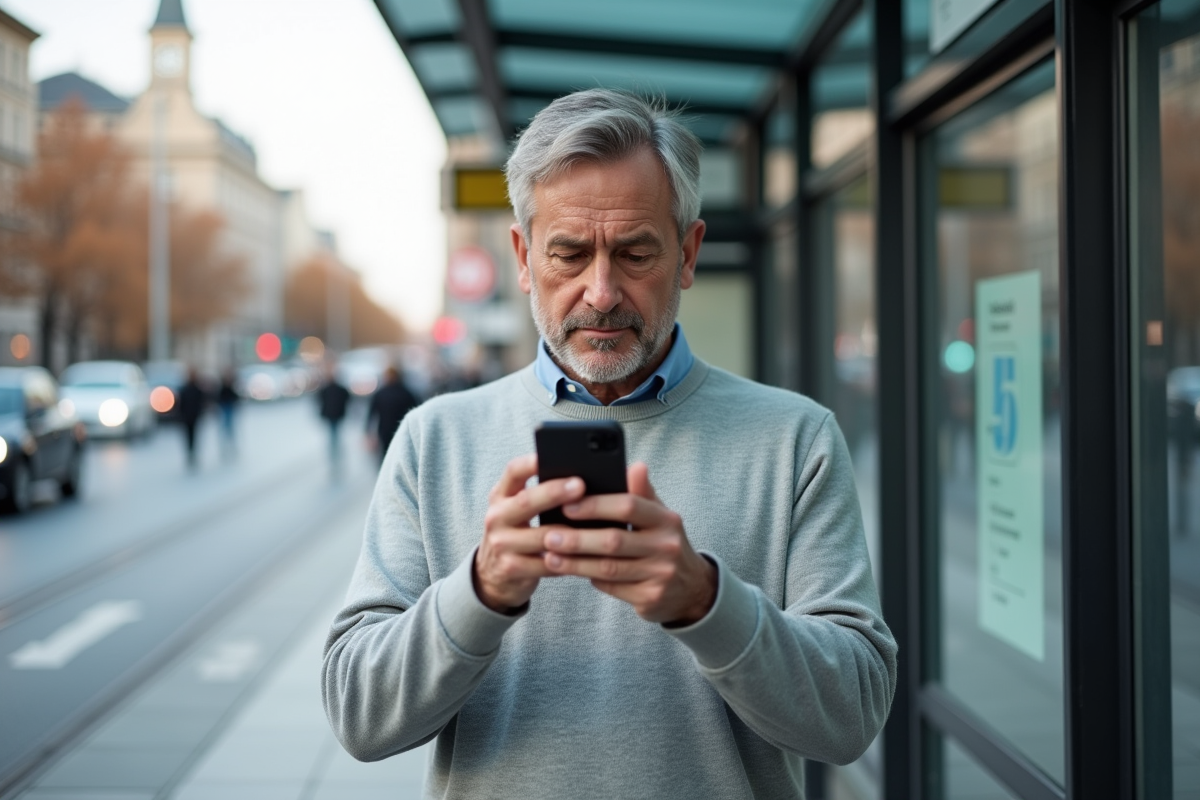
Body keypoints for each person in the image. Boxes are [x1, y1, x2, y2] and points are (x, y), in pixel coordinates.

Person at [322, 89, 897, 799]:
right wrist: (479, 592)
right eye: (568, 253)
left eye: (634, 253)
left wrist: (706, 601)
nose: (600, 292)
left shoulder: (795, 438)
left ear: (687, 253)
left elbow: (852, 717)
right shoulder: (433, 439)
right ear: (523, 257)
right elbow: (358, 716)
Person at [364, 365, 419, 466]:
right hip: (401, 430)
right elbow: (416, 411)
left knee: (386, 457)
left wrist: (368, 432)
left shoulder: (381, 393)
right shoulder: (406, 392)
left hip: (386, 430)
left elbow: (371, 414)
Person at [316, 364, 351, 478]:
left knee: (334, 434)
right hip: (335, 415)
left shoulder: (328, 389)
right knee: (334, 434)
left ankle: (335, 452)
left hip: (334, 415)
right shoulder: (335, 389)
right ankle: (335, 452)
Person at [177, 367, 208, 470]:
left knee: (193, 436)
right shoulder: (185, 388)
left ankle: (193, 453)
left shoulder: (197, 389)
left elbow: (202, 403)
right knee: (189, 436)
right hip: (187, 417)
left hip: (194, 417)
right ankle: (190, 453)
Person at [216, 368, 239, 460]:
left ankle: (231, 445)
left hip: (229, 409)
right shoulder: (222, 387)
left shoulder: (231, 386)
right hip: (225, 409)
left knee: (230, 428)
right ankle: (225, 446)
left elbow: (235, 397)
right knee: (225, 428)